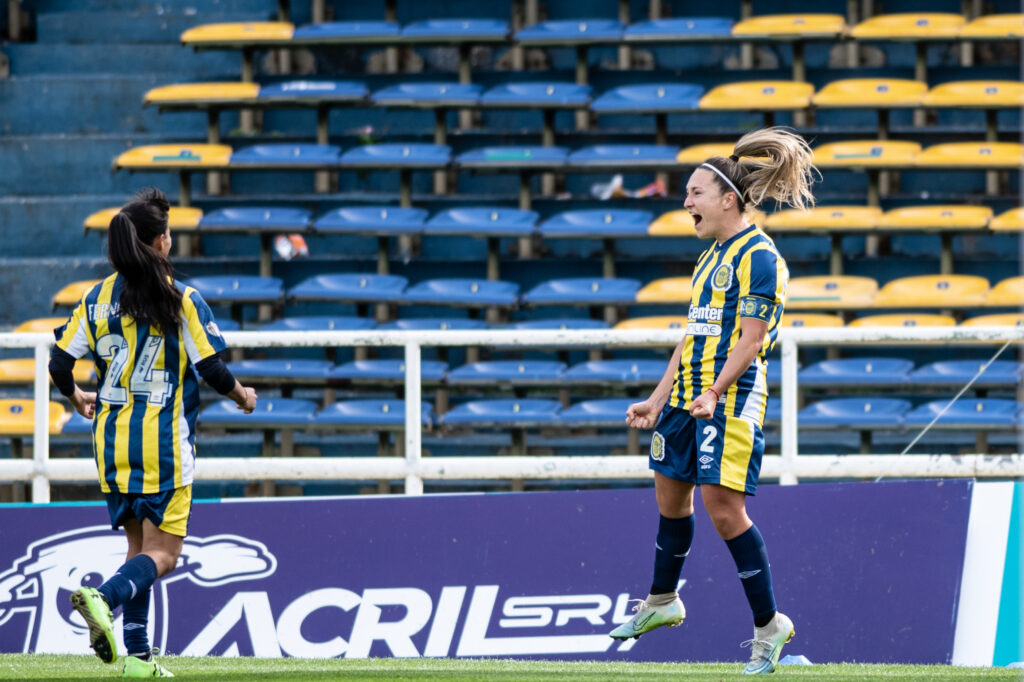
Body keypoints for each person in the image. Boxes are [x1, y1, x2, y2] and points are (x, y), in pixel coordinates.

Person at [609, 127, 817, 675]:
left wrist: (715, 392)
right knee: (670, 500)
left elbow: (751, 340)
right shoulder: (708, 258)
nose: (686, 203)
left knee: (725, 512)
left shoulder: (761, 258)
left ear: (728, 198)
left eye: (695, 193)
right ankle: (661, 601)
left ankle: (770, 627)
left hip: (729, 399)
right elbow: (692, 336)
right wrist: (658, 399)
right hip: (685, 400)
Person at [49, 187, 258, 678]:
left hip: (111, 443)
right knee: (163, 554)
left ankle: (139, 661)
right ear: (160, 243)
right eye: (167, 233)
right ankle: (103, 597)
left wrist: (75, 395)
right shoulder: (180, 298)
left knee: (137, 551)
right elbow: (210, 367)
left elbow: (60, 361)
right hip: (162, 445)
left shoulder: (96, 298)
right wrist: (242, 395)